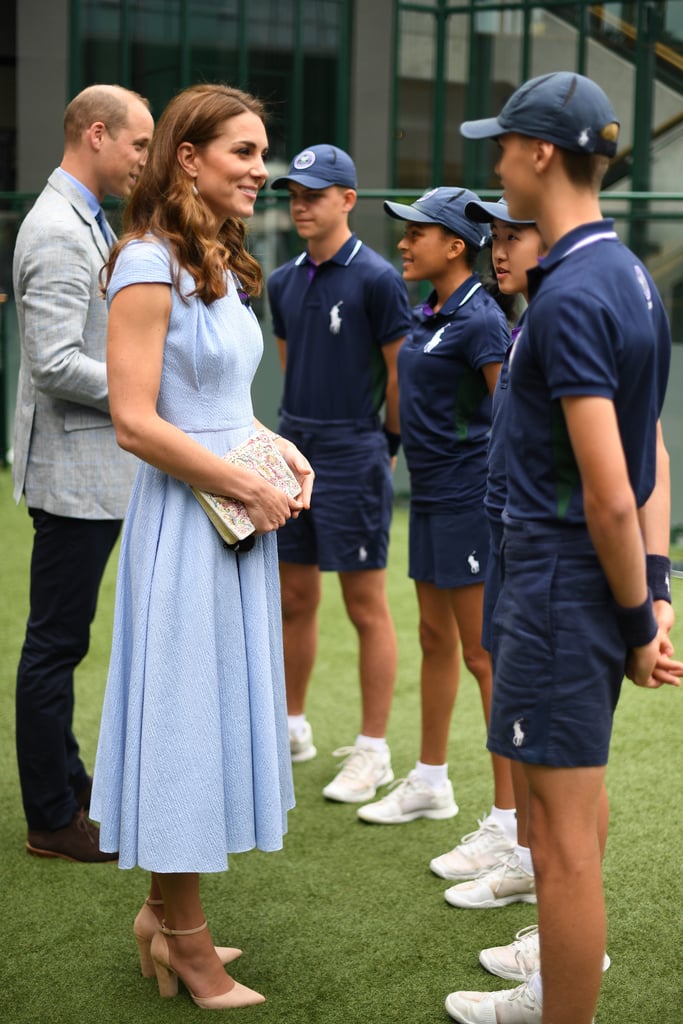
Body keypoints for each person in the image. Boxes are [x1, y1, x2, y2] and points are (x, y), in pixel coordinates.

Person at [443, 72, 682, 1024]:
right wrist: (652, 597)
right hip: (573, 582)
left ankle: (559, 1003)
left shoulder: (578, 289)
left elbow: (611, 492)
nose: (496, 160)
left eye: (503, 144)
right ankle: (551, 989)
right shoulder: (625, 273)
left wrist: (635, 620)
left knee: (566, 844)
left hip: (556, 583)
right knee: (560, 818)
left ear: (541, 153)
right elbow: (650, 453)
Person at [90, 83, 313, 1009]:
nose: (263, 170)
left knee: (207, 715)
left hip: (230, 518)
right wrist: (237, 480)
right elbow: (135, 423)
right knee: (185, 724)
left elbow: (218, 404)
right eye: (245, 152)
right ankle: (185, 940)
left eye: (263, 153)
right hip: (188, 529)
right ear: (188, 157)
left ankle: (160, 912)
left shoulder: (212, 258)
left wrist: (273, 447)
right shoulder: (145, 262)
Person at [12, 84, 154, 862]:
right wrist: (145, 383)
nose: (145, 159)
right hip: (73, 477)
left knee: (63, 642)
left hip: (88, 472)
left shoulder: (82, 219)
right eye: (138, 144)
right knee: (55, 645)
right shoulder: (60, 231)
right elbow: (57, 363)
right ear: (95, 134)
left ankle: (67, 783)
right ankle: (50, 819)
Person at [356, 188, 515, 850]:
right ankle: (430, 781)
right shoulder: (429, 312)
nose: (402, 241)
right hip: (428, 500)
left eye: (415, 231)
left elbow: (509, 417)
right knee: (431, 636)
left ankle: (509, 823)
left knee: (484, 656)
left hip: (470, 503)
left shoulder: (481, 321)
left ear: (454, 245)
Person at [267, 144, 413, 802]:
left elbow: (396, 373)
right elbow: (289, 363)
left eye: (315, 194)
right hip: (292, 448)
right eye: (294, 194)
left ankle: (373, 750)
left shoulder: (379, 279)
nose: (301, 204)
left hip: (354, 451)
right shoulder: (280, 281)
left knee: (364, 605)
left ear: (347, 200)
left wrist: (383, 444)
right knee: (292, 598)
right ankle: (292, 726)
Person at [431, 197, 543, 909]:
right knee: (519, 713)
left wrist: (645, 593)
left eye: (511, 236)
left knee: (558, 753)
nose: (496, 249)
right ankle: (519, 845)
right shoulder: (522, 318)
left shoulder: (547, 316)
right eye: (493, 237)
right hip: (504, 532)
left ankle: (529, 863)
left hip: (537, 549)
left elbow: (628, 466)